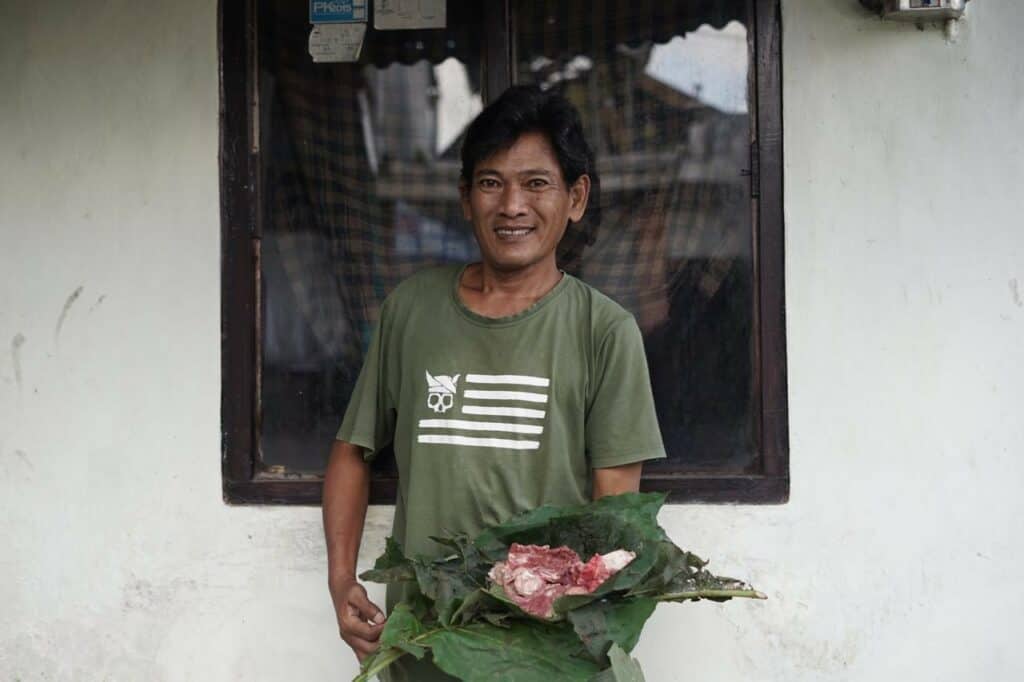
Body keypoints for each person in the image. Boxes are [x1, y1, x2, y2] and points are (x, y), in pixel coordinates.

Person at [322, 85, 666, 681]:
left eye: (537, 183)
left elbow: (617, 527)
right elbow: (353, 454)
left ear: (576, 198)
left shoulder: (604, 331)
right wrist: (340, 578)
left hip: (547, 656)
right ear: (465, 197)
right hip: (428, 643)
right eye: (490, 182)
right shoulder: (412, 311)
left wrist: (548, 603)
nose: (512, 205)